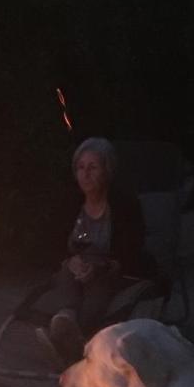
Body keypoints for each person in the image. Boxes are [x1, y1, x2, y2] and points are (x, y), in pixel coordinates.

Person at [36, 137, 154, 369]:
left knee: (97, 284)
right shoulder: (71, 202)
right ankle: (68, 321)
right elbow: (51, 242)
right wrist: (71, 261)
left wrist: (100, 266)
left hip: (109, 269)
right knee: (65, 274)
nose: (85, 174)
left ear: (107, 170)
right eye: (80, 168)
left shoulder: (124, 206)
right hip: (74, 269)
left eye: (93, 167)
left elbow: (132, 248)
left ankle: (66, 336)